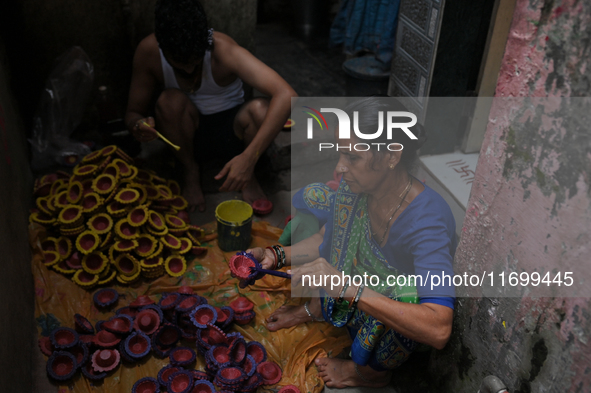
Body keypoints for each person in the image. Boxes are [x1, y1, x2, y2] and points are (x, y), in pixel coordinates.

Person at [247, 97, 456, 388]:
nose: (341, 167)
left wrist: (347, 288)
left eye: (353, 158)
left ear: (392, 156)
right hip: (358, 292)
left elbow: (439, 327)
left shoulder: (426, 220)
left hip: (391, 316)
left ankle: (372, 374)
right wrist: (275, 255)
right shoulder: (356, 189)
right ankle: (319, 307)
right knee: (314, 200)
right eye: (340, 155)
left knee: (406, 294)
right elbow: (327, 239)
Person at [125, 0, 297, 212]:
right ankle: (190, 172)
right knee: (168, 101)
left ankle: (247, 175)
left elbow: (287, 94)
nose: (189, 71)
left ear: (205, 41)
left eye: (194, 63)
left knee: (261, 110)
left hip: (232, 133)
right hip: (186, 139)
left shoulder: (224, 49)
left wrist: (248, 159)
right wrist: (138, 126)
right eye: (180, 66)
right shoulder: (148, 52)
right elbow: (133, 113)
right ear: (162, 46)